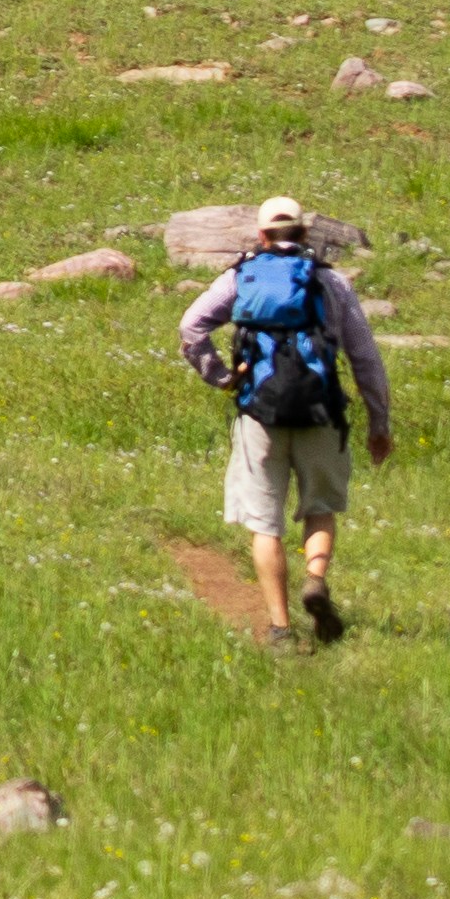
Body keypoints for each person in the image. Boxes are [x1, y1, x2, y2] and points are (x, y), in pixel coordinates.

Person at [171, 191, 391, 647]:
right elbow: (366, 357)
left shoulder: (241, 276)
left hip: (260, 413)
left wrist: (222, 377)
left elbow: (191, 326)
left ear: (261, 234)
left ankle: (279, 628)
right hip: (321, 411)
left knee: (264, 525)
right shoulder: (332, 282)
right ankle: (315, 576)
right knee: (321, 510)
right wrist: (379, 422)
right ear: (306, 232)